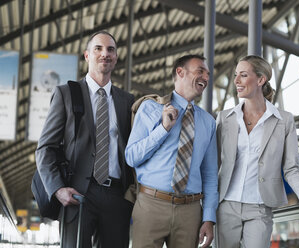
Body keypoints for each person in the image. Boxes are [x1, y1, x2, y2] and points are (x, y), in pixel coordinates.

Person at [35, 31, 134, 248]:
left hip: (117, 195)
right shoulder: (67, 94)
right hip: (77, 194)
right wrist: (57, 189)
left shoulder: (127, 101)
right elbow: (45, 148)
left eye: (110, 49)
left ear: (116, 57)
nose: (105, 54)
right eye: (98, 48)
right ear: (87, 55)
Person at [215, 55, 299, 248]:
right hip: (225, 205)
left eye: (243, 75)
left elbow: (291, 167)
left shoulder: (284, 120)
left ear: (260, 79)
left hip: (260, 207)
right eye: (235, 75)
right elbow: (213, 164)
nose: (236, 81)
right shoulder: (225, 119)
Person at [125, 54, 218, 248]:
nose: (206, 78)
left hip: (190, 211)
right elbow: (131, 157)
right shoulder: (150, 108)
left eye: (208, 74)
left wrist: (209, 218)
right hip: (151, 204)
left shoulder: (208, 122)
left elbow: (209, 175)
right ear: (180, 72)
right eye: (200, 71)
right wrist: (163, 129)